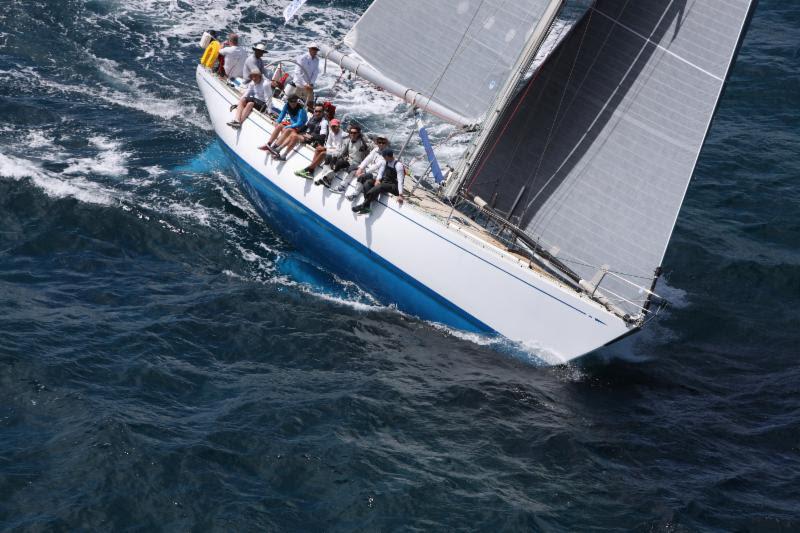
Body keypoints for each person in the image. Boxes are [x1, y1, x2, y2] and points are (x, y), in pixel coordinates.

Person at [313, 123, 369, 188]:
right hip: (349, 161)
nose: (352, 134)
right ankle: (327, 179)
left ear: (358, 133)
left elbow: (370, 146)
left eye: (355, 133)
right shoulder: (348, 140)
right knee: (335, 161)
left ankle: (326, 179)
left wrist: (365, 147)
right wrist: (335, 156)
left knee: (340, 163)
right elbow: (341, 151)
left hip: (358, 164)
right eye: (351, 132)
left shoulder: (363, 142)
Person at [351, 148, 405, 215]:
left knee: (380, 186)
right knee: (368, 183)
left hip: (394, 185)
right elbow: (381, 172)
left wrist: (400, 195)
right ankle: (367, 206)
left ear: (387, 156)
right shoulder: (385, 162)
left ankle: (363, 205)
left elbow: (400, 181)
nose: (383, 158)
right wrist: (377, 180)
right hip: (385, 181)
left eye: (384, 157)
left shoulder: (398, 165)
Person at [260, 95, 308, 160]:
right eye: (291, 101)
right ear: (288, 101)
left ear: (297, 102)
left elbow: (299, 123)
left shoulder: (301, 110)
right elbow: (282, 114)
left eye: (295, 101)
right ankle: (269, 143)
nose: (293, 103)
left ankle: (274, 147)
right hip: (291, 123)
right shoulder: (287, 105)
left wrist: (288, 126)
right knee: (279, 126)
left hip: (299, 127)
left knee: (287, 129)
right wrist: (277, 121)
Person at [286, 43, 320, 107]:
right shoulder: (302, 58)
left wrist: (311, 83)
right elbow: (297, 72)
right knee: (292, 103)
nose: (315, 51)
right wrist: (305, 84)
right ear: (309, 49)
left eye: (316, 49)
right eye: (313, 49)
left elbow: (315, 73)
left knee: (310, 104)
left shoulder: (317, 60)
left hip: (308, 85)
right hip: (299, 84)